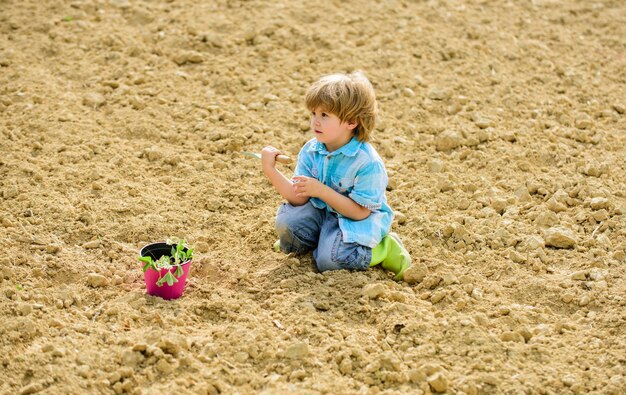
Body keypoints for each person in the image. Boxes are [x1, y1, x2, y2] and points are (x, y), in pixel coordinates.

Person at [260, 71, 411, 280]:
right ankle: (322, 240)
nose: (315, 122)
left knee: (330, 261)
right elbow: (298, 196)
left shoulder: (368, 163)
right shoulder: (312, 150)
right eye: (313, 113)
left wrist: (321, 191)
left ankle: (382, 248)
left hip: (354, 222)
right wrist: (271, 170)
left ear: (351, 122)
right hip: (324, 215)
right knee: (288, 224)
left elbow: (359, 213)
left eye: (324, 116)